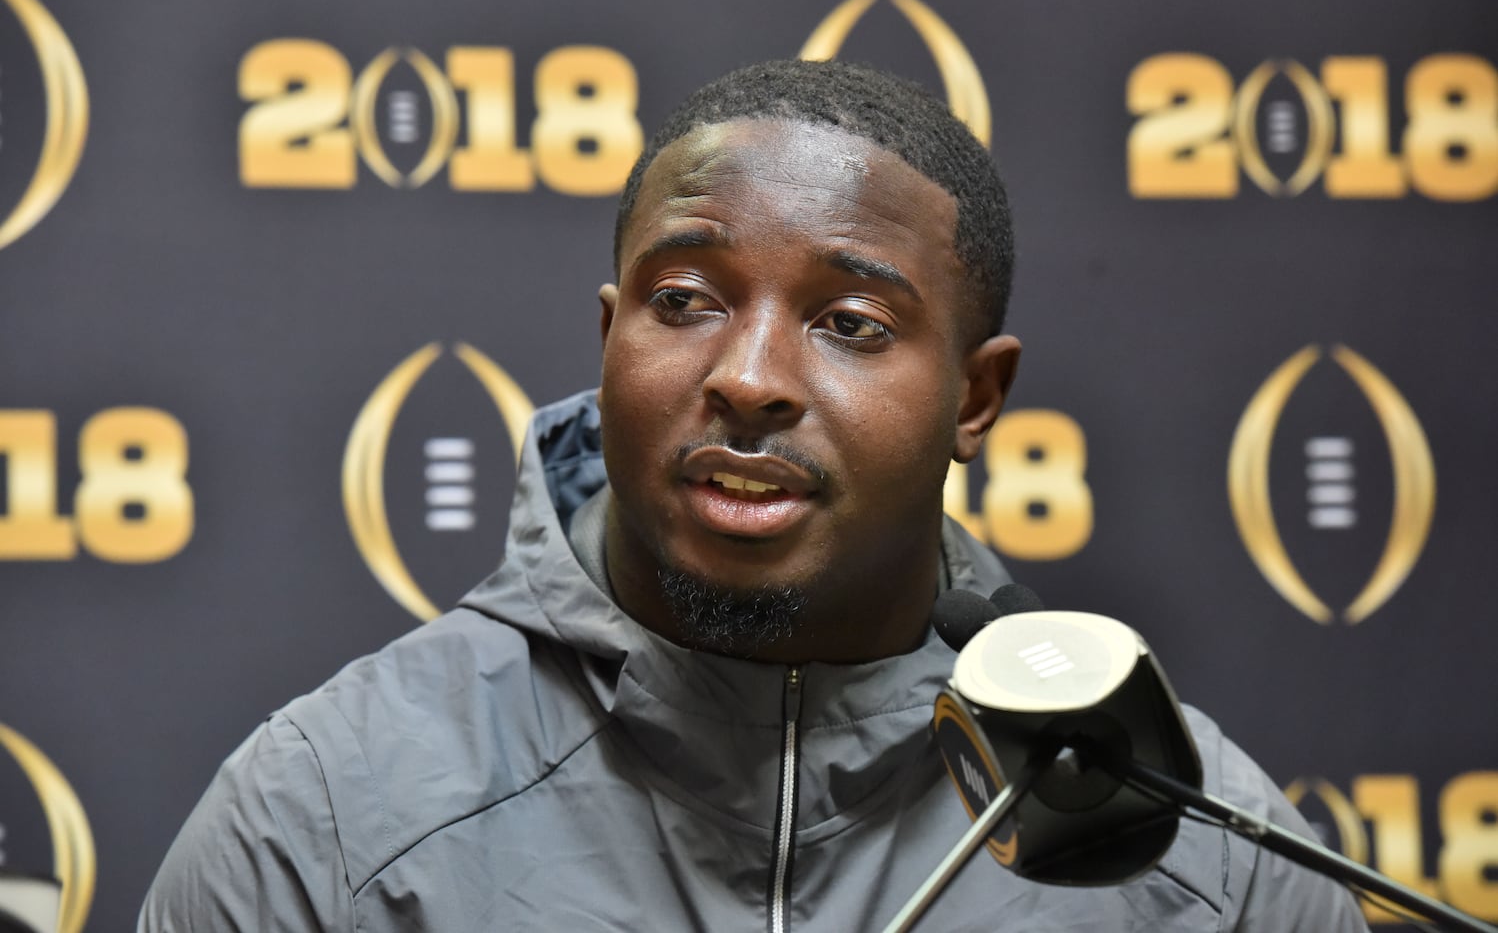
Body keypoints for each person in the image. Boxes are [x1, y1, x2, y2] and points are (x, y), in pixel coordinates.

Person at [139, 59, 1368, 931]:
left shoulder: (1199, 850)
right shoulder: (322, 819)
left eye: (849, 321)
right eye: (684, 302)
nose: (746, 376)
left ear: (974, 400)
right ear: (611, 337)